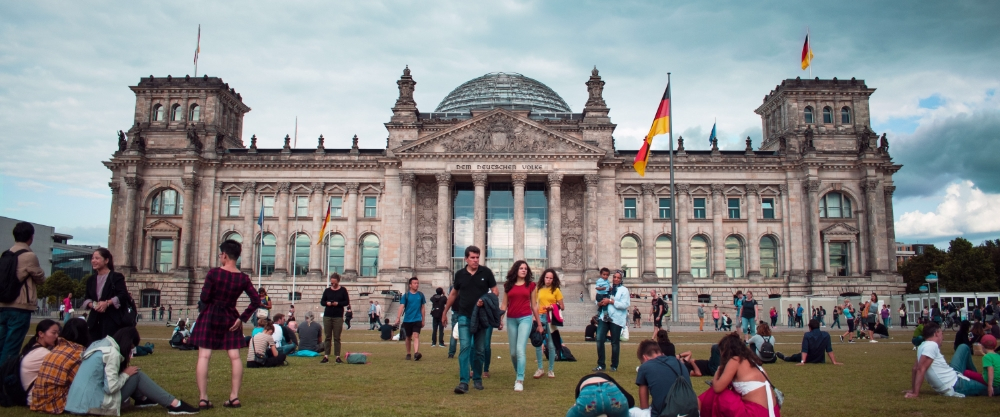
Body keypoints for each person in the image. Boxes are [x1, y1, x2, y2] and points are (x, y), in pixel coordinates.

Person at [190, 239, 261, 409]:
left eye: (220, 254)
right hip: (231, 316)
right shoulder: (243, 278)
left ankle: (203, 398)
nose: (220, 257)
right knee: (235, 357)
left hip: (211, 315)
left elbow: (204, 298)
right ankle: (234, 397)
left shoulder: (213, 273)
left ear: (225, 255)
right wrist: (242, 318)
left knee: (204, 356)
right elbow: (256, 300)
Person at [65, 327, 199, 414]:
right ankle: (174, 404)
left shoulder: (99, 345)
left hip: (75, 403)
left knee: (131, 373)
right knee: (136, 374)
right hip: (93, 405)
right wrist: (124, 375)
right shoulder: (111, 353)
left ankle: (141, 398)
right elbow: (110, 388)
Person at [441, 245, 498, 394]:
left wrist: (485, 300)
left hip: (481, 317)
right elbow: (453, 294)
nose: (475, 260)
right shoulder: (460, 274)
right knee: (465, 348)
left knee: (479, 350)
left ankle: (477, 378)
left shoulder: (486, 272)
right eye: (472, 257)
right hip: (464, 316)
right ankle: (463, 381)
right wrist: (445, 311)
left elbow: (496, 292)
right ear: (466, 259)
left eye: (477, 257)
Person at [699, 333, 781, 417]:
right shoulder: (752, 362)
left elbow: (717, 388)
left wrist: (718, 371)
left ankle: (698, 409)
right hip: (772, 412)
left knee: (718, 394)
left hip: (755, 412)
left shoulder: (735, 360)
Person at [0, 222, 46, 365]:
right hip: (19, 306)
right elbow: (41, 278)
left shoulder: (6, 254)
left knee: (2, 344)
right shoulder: (29, 256)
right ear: (31, 237)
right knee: (11, 348)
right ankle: (4, 381)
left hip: (3, 305)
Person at [906, 321, 986, 398]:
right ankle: (980, 378)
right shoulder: (931, 346)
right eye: (942, 334)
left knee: (963, 347)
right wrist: (915, 393)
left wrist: (913, 390)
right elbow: (920, 369)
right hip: (954, 384)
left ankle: (976, 376)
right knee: (990, 388)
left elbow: (915, 368)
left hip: (952, 374)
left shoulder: (922, 346)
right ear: (936, 334)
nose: (943, 338)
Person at [499, 260, 542, 392]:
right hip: (511, 319)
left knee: (520, 349)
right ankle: (519, 371)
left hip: (526, 318)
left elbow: (534, 305)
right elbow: (504, 304)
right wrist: (500, 319)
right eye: (521, 268)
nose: (524, 270)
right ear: (516, 270)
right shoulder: (508, 285)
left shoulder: (531, 285)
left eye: (525, 268)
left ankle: (519, 379)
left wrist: (539, 324)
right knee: (513, 353)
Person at [31, 319, 90, 414]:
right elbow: (82, 384)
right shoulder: (77, 353)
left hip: (38, 401)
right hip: (57, 404)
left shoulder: (57, 349)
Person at [79, 248, 131, 344]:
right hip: (94, 320)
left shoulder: (116, 277)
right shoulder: (91, 279)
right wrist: (93, 305)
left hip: (112, 319)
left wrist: (107, 303)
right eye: (92, 258)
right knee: (92, 345)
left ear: (106, 260)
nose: (93, 261)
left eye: (97, 258)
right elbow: (87, 298)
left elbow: (123, 295)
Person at [629, 339, 692, 417]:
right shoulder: (679, 362)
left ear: (645, 358)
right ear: (661, 353)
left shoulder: (645, 367)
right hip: (691, 412)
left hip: (665, 414)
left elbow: (644, 406)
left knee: (629, 411)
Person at [18, 319, 61, 408]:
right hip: (36, 398)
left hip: (30, 395)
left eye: (58, 333)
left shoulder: (33, 347)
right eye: (53, 333)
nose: (57, 336)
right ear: (41, 334)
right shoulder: (43, 353)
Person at [594, 270, 630, 372]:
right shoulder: (607, 287)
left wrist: (611, 301)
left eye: (618, 278)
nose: (616, 279)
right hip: (604, 318)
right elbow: (598, 297)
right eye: (614, 277)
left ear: (621, 279)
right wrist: (599, 303)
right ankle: (601, 364)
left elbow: (625, 304)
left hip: (616, 319)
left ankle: (614, 365)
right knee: (599, 339)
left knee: (614, 343)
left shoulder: (624, 290)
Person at [535, 268, 565, 380]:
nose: (548, 280)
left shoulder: (556, 290)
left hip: (550, 318)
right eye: (547, 277)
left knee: (551, 345)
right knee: (538, 342)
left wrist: (552, 307)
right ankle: (540, 368)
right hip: (540, 317)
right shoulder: (538, 289)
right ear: (543, 277)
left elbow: (562, 306)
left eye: (551, 278)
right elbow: (534, 304)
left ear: (554, 279)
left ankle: (551, 370)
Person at [776, 319, 843, 365]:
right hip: (820, 359)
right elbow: (829, 349)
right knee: (797, 356)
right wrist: (834, 362)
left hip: (808, 358)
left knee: (794, 357)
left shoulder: (807, 335)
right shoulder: (826, 335)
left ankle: (785, 358)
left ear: (810, 327)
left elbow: (805, 350)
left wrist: (802, 361)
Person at [567, 372, 634, 417]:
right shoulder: (609, 380)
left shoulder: (582, 383)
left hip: (588, 394)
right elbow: (630, 401)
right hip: (612, 394)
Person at [320, 273, 350, 364]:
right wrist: (327, 303)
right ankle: (326, 356)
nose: (333, 284)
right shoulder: (327, 291)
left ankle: (337, 356)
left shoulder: (343, 290)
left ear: (338, 281)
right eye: (331, 283)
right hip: (328, 315)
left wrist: (338, 304)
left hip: (338, 316)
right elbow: (322, 302)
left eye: (334, 283)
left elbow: (346, 302)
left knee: (337, 337)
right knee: (327, 337)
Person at [396, 276, 426, 361]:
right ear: (410, 285)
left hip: (417, 319)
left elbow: (423, 308)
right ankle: (408, 353)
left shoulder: (421, 295)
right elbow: (401, 307)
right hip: (408, 319)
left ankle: (416, 353)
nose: (417, 285)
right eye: (415, 283)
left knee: (416, 335)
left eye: (417, 283)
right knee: (408, 337)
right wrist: (398, 317)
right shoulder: (406, 296)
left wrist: (423, 319)